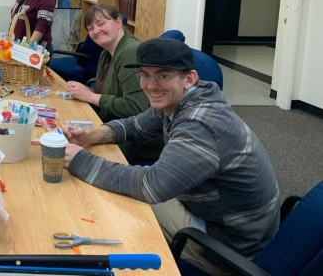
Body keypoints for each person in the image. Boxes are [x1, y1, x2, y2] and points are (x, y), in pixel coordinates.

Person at [63, 38, 279, 275]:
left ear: (189, 78)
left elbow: (151, 186)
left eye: (163, 75)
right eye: (145, 75)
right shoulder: (186, 98)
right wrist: (89, 137)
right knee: (114, 178)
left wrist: (81, 160)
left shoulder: (200, 125)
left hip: (228, 244)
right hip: (213, 210)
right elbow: (136, 125)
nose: (151, 85)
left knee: (120, 202)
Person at [65, 4, 149, 123]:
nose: (96, 31)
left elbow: (136, 107)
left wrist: (91, 97)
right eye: (90, 28)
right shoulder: (106, 52)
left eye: (101, 24)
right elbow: (111, 95)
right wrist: (86, 92)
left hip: (129, 134)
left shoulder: (131, 52)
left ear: (118, 22)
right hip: (109, 124)